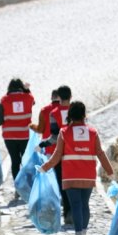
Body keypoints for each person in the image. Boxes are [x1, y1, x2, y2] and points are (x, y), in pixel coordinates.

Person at [40, 101, 114, 235]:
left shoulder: (64, 132)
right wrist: (110, 171)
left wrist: (44, 168)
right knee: (85, 204)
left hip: (70, 176)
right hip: (87, 175)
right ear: (84, 114)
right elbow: (100, 152)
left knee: (75, 205)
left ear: (70, 115)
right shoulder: (92, 132)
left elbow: (57, 155)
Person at [0, 78, 35, 188]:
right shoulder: (28, 97)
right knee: (26, 160)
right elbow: (33, 102)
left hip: (10, 137)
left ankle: (18, 187)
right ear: (21, 87)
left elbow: (0, 120)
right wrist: (27, 90)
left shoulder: (5, 100)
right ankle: (28, 185)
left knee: (15, 161)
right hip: (25, 135)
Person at [49, 85, 72, 224]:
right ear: (71, 96)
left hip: (59, 153)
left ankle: (67, 212)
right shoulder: (77, 110)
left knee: (62, 183)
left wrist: (42, 144)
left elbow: (53, 137)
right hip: (74, 153)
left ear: (58, 97)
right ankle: (76, 212)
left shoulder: (54, 113)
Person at [29, 88, 60, 156]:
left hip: (48, 148)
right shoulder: (68, 110)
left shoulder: (44, 110)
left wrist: (31, 126)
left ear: (51, 97)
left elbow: (40, 130)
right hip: (64, 148)